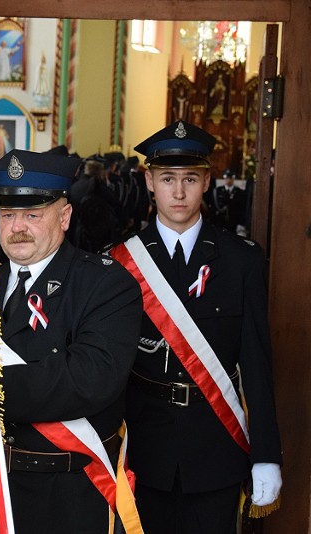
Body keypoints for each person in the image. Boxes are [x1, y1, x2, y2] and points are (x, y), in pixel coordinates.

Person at [110, 121, 282, 533]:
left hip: (216, 447)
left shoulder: (242, 261)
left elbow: (257, 366)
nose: (179, 192)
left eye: (190, 178)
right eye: (167, 179)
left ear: (207, 181)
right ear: (149, 182)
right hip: (143, 449)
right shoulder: (119, 263)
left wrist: (267, 455)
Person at [0, 149, 143, 533]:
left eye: (32, 214)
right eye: (8, 215)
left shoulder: (106, 284)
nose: (17, 227)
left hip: (68, 494)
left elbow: (87, 380)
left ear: (64, 216)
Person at [211, 168, 247, 235]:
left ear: (233, 179)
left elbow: (242, 208)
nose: (229, 180)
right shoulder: (218, 191)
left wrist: (241, 223)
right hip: (220, 222)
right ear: (224, 178)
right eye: (227, 178)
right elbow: (214, 207)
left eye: (231, 178)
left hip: (234, 222)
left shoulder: (239, 192)